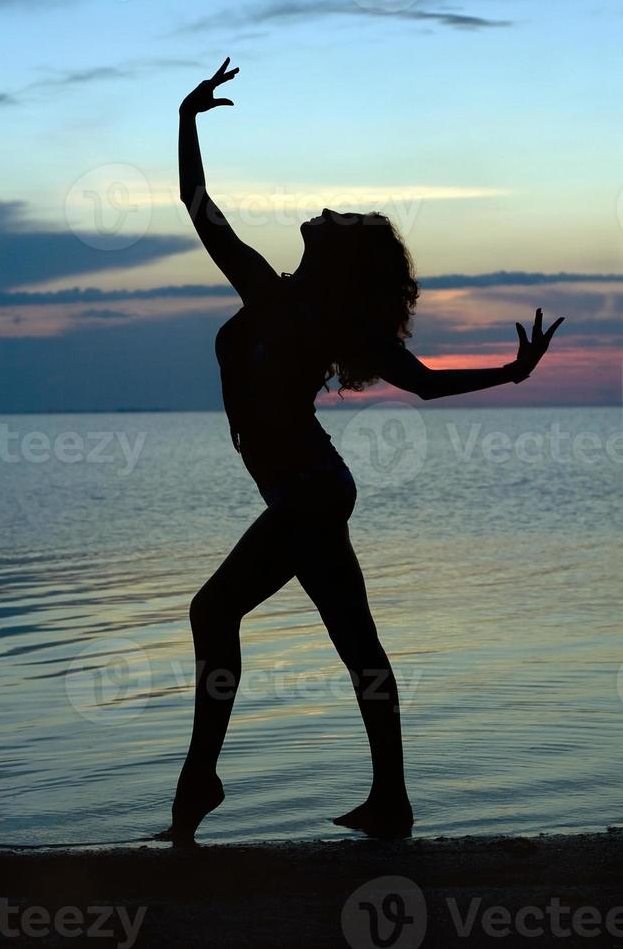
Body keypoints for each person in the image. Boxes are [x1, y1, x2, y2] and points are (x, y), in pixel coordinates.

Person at [167, 58, 564, 843]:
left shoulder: (331, 321)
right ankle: (391, 801)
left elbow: (421, 384)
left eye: (336, 216)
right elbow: (197, 203)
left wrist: (514, 371)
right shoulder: (267, 290)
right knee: (357, 644)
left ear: (342, 253)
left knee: (214, 611)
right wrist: (187, 116)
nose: (320, 209)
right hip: (305, 489)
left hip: (310, 489)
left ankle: (199, 784)